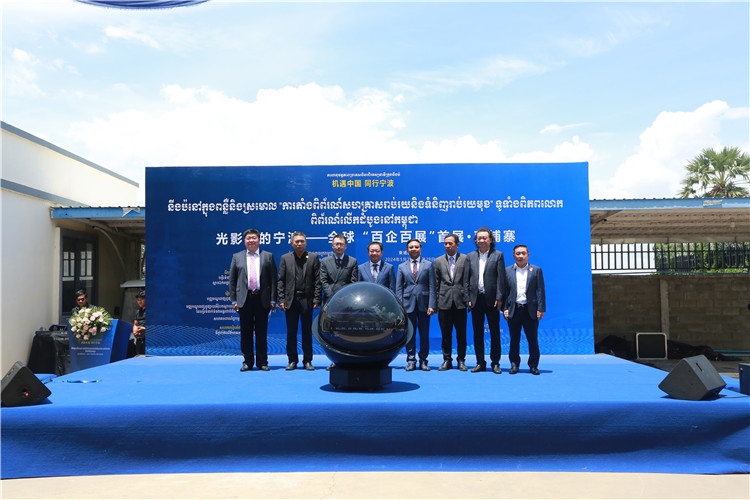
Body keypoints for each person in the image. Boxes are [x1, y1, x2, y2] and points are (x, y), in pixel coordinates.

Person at [229, 228, 277, 372]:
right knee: (246, 333)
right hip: (245, 299)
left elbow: (273, 280)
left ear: (259, 240)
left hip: (262, 299)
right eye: (248, 238)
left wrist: (273, 299)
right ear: (244, 241)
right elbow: (232, 281)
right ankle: (247, 362)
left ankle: (262, 362)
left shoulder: (268, 256)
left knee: (262, 333)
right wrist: (234, 300)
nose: (251, 240)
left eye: (254, 238)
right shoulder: (237, 257)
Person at [277, 232, 322, 371]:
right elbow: (281, 280)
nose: (299, 244)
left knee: (307, 331)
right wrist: (281, 299)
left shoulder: (313, 257)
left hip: (306, 299)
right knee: (291, 332)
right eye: (297, 241)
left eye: (302, 241)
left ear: (306, 243)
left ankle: (307, 360)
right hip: (291, 300)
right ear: (292, 243)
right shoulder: (285, 258)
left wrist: (316, 298)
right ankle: (292, 360)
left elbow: (318, 280)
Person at [467, 227, 506, 374]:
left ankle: (495, 362)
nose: (481, 240)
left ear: (490, 240)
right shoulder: (470, 256)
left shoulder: (498, 255)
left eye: (484, 238)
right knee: (478, 333)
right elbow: (466, 279)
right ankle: (480, 362)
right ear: (476, 240)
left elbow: (501, 278)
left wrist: (499, 297)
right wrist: (467, 298)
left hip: (492, 300)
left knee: (494, 332)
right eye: (479, 238)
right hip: (475, 299)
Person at [503, 244, 546, 375]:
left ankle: (533, 365)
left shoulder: (536, 270)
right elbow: (504, 292)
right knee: (514, 339)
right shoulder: (507, 271)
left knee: (532, 339)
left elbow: (540, 290)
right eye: (518, 253)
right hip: (514, 310)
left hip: (530, 310)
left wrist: (541, 308)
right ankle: (514, 364)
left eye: (523, 253)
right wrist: (505, 308)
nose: (520, 256)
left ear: (528, 255)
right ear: (513, 255)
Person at [395, 239, 436, 371]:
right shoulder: (402, 266)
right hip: (407, 305)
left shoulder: (428, 265)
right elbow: (399, 288)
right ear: (407, 250)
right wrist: (400, 307)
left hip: (424, 305)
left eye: (416, 247)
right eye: (411, 247)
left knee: (424, 334)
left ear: (420, 249)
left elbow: (432, 286)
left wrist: (432, 304)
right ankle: (411, 360)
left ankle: (423, 360)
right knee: (410, 334)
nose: (413, 249)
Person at [320, 233, 358, 369]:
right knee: (332, 332)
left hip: (347, 303)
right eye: (336, 244)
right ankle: (335, 359)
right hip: (330, 302)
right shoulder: (325, 261)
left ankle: (349, 358)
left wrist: (344, 296)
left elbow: (354, 281)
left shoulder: (352, 261)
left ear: (345, 246)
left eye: (341, 244)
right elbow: (323, 281)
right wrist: (333, 297)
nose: (339, 246)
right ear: (332, 246)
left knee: (346, 332)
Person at [433, 234, 470, 371]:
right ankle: (447, 360)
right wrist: (436, 302)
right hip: (444, 302)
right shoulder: (438, 261)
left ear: (457, 245)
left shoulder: (465, 259)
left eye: (450, 243)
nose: (447, 246)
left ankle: (461, 360)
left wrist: (468, 299)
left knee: (461, 334)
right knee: (445, 334)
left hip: (460, 302)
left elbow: (468, 281)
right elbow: (435, 284)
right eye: (445, 243)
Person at [131, 290, 146, 356]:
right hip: (139, 339)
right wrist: (135, 331)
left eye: (141, 299)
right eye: (138, 300)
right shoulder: (138, 312)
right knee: (139, 356)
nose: (139, 301)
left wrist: (144, 329)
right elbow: (135, 324)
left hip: (149, 339)